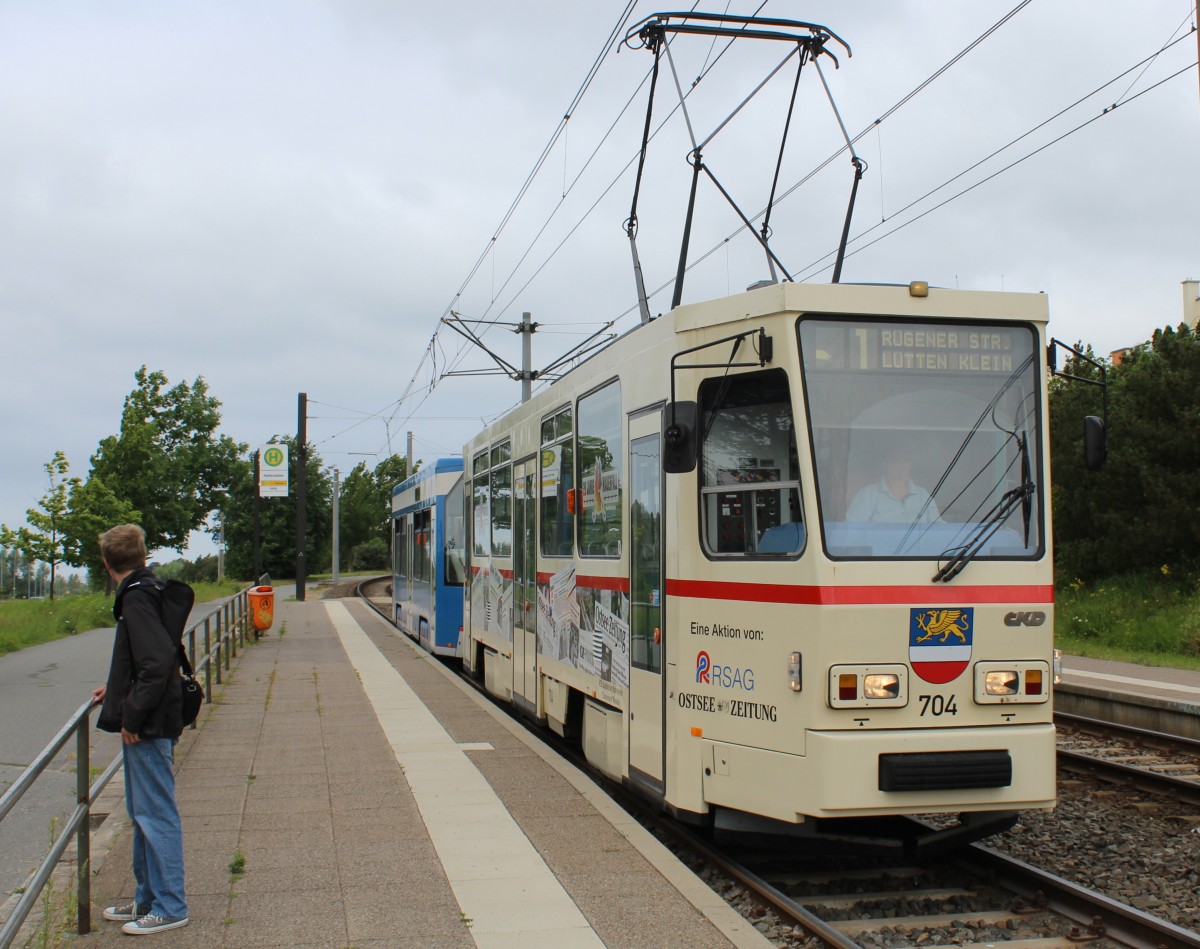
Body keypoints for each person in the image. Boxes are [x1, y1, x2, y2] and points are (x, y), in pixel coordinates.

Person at [90, 524, 189, 936]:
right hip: (153, 715)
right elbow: (144, 659)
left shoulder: (135, 597)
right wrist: (115, 690)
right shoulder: (146, 589)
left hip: (148, 723)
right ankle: (148, 899)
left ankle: (170, 905)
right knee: (143, 812)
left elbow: (156, 661)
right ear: (142, 555)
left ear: (106, 563)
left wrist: (130, 715)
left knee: (155, 813)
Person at [847, 440, 940, 525]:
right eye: (896, 460)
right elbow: (851, 531)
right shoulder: (867, 495)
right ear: (884, 463)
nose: (902, 464)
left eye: (907, 459)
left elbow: (939, 528)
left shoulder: (923, 495)